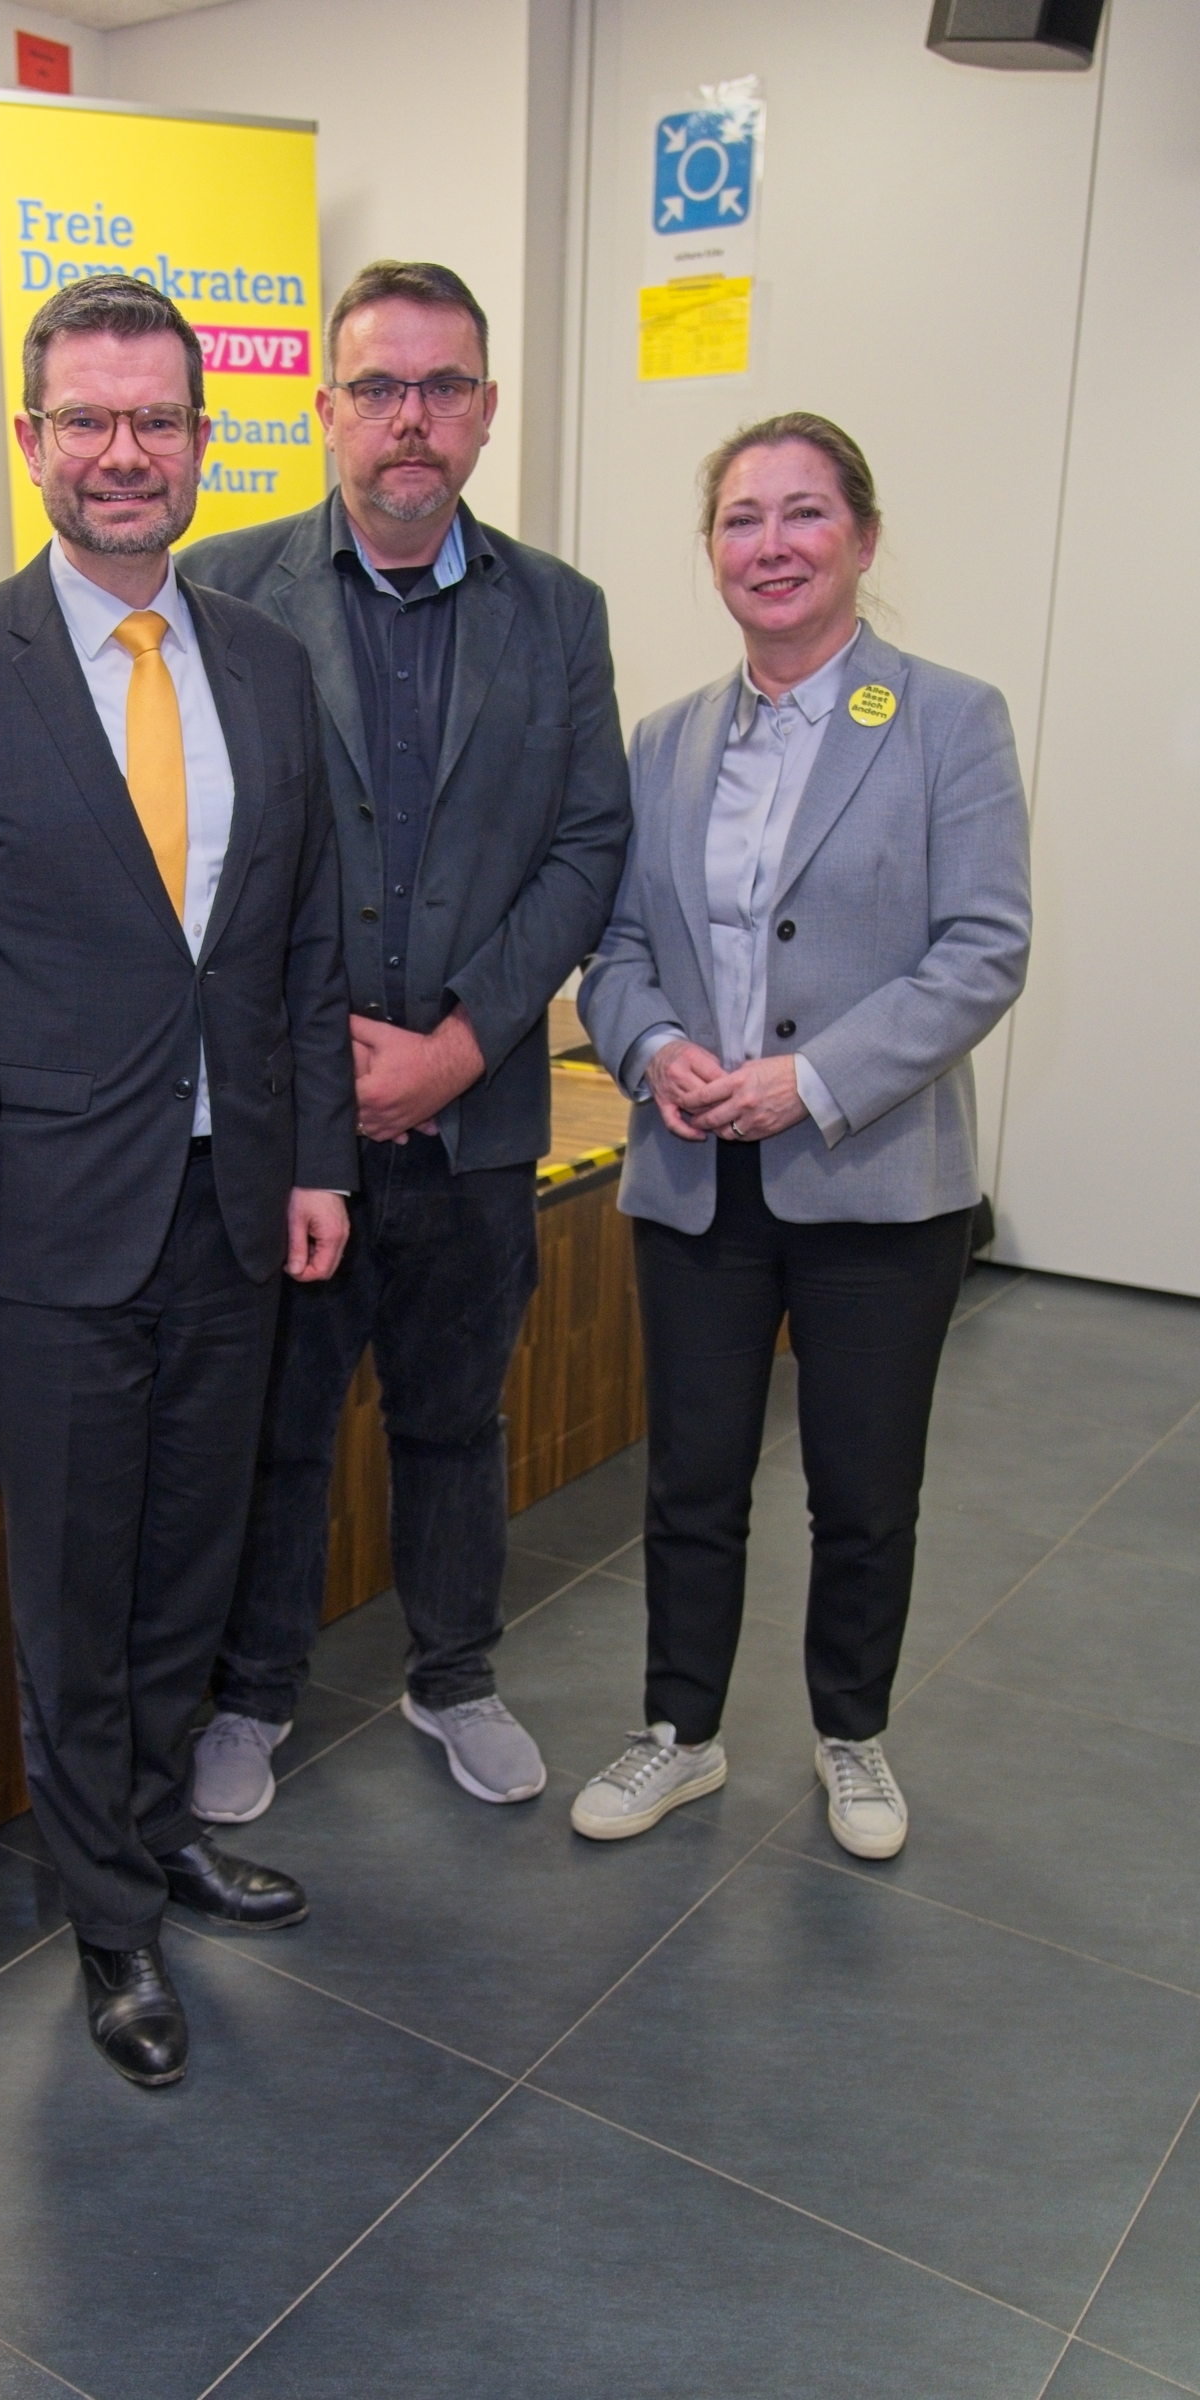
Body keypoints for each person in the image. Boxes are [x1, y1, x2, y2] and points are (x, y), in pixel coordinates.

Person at [0, 277, 355, 2089]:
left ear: (203, 442)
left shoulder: (262, 661)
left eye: (157, 420)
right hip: (56, 1218)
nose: (125, 453)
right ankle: (107, 1921)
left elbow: (297, 939)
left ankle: (157, 1831)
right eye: (88, 420)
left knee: (190, 1562)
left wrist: (315, 1165)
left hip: (239, 1206)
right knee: (77, 1587)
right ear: (33, 442)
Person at [182, 260, 631, 1824]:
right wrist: (320, 1062)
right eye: (378, 388)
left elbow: (588, 843)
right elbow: (204, 859)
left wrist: (461, 1042)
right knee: (279, 1434)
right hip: (288, 1130)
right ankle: (249, 1699)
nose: (411, 421)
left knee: (455, 1419)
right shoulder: (224, 592)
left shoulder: (560, 613)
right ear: (325, 410)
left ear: (488, 413)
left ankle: (456, 1678)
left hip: (476, 1115)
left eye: (444, 389)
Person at [572, 411, 1031, 1860]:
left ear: (864, 539)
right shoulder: (665, 739)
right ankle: (680, 1733)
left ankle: (854, 1736)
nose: (769, 545)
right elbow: (618, 947)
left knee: (863, 1485)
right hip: (698, 1172)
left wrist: (810, 1080)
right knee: (694, 1475)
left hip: (875, 1179)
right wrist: (654, 1050)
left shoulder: (949, 719)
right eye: (740, 520)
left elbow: (982, 949)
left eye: (803, 515)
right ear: (710, 552)